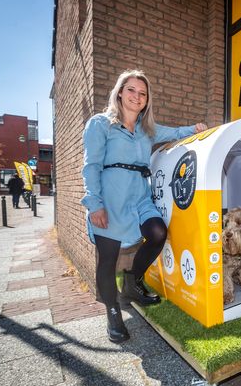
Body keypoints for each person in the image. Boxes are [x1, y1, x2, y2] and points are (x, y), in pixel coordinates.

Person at [81, 69, 208, 343]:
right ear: (119, 92)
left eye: (142, 93)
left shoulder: (146, 130)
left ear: (147, 99)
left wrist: (196, 129)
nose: (137, 97)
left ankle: (132, 283)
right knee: (107, 258)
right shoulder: (100, 124)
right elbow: (90, 166)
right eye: (131, 90)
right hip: (111, 198)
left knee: (158, 233)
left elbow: (175, 132)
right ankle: (113, 312)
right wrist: (95, 205)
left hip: (140, 197)